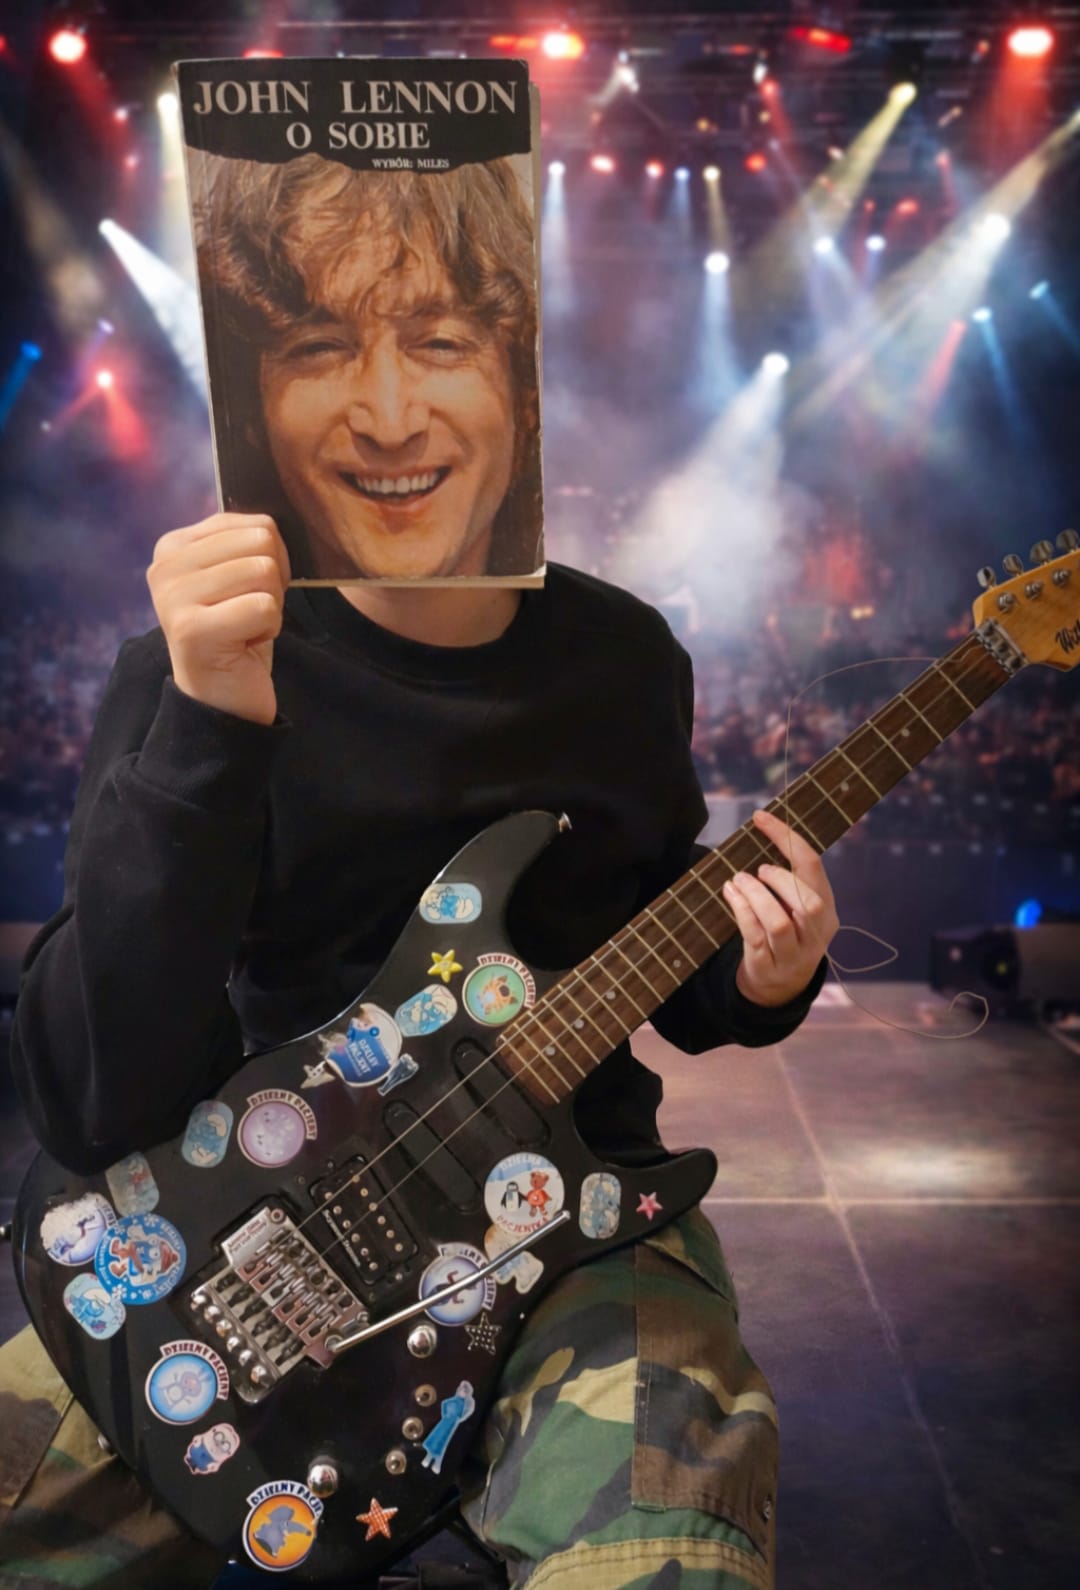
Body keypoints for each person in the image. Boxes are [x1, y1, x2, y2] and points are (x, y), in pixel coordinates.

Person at [0, 505, 837, 1588]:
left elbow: (657, 933)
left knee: (671, 1550)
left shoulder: (627, 656)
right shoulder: (196, 656)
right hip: (237, 1233)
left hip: (573, 1221)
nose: (393, 424)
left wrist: (759, 980)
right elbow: (89, 1100)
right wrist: (207, 722)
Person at [193, 150, 543, 583]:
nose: (389, 427)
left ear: (526, 394)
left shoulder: (609, 626)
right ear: (252, 411)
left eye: (440, 344)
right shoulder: (200, 631)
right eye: (319, 348)